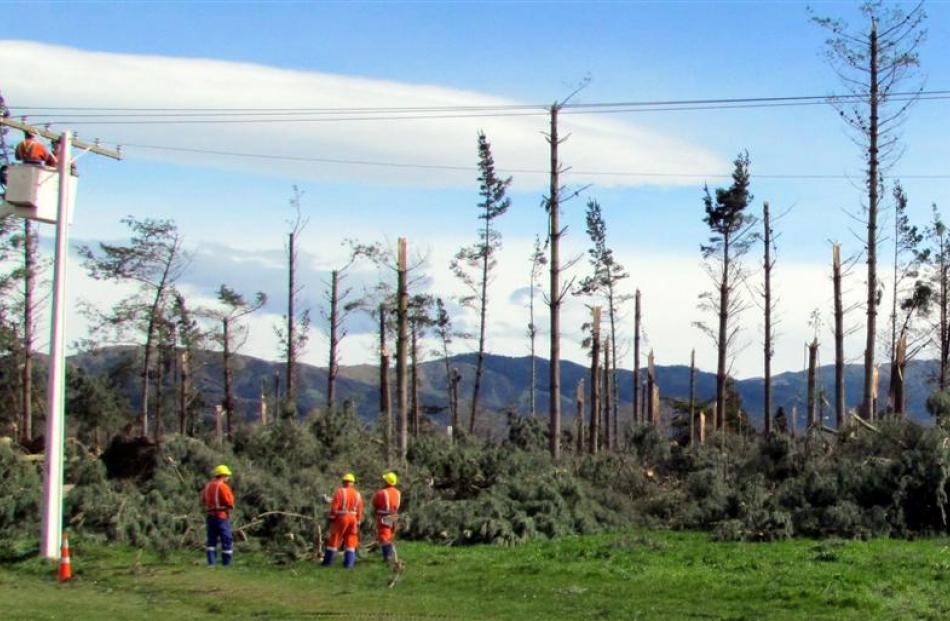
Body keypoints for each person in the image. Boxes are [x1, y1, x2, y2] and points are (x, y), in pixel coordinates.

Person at [322, 472, 364, 569]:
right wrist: (358, 521)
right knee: (351, 541)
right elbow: (360, 509)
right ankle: (349, 565)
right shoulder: (357, 494)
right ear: (352, 483)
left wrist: (332, 518)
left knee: (335, 539)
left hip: (341, 518)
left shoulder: (340, 491)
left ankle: (328, 563)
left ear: (344, 482)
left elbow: (334, 507)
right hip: (353, 518)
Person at [201, 464, 235, 566]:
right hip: (221, 517)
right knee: (226, 539)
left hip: (210, 517)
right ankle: (226, 564)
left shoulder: (207, 486)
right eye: (227, 475)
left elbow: (203, 500)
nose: (228, 477)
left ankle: (212, 563)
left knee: (211, 541)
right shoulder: (223, 487)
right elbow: (230, 503)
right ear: (223, 475)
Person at [372, 471, 401, 562]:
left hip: (384, 516)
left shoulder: (382, 493)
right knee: (390, 536)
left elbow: (375, 503)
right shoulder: (397, 492)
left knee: (384, 536)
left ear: (386, 482)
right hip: (394, 516)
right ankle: (392, 556)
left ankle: (388, 557)